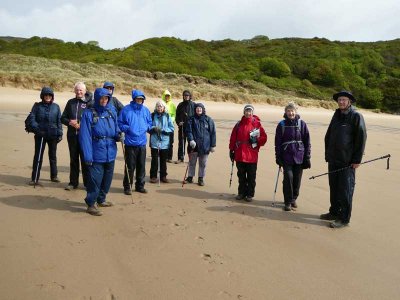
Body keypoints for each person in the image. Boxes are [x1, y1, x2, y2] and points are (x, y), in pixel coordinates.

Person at [321, 91, 367, 228]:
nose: (341, 102)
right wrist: (327, 155)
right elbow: (328, 135)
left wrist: (357, 159)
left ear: (349, 102)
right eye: (340, 99)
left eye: (344, 100)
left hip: (347, 162)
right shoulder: (336, 115)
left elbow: (361, 138)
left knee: (345, 190)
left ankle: (344, 218)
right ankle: (334, 212)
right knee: (333, 187)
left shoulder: (356, 116)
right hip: (333, 159)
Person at [79, 88, 121, 216]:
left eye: (106, 98)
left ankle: (101, 199)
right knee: (95, 180)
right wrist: (87, 155)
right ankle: (91, 204)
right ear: (97, 99)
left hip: (110, 152)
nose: (104, 100)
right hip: (96, 153)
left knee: (107, 179)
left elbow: (116, 127)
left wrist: (118, 135)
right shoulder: (88, 114)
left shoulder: (111, 111)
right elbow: (84, 136)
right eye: (102, 98)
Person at [275, 102, 311, 211]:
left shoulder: (302, 124)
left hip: (299, 155)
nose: (291, 113)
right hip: (286, 156)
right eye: (288, 111)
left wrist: (307, 157)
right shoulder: (281, 125)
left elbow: (307, 141)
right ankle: (287, 201)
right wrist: (278, 156)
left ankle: (294, 198)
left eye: (292, 110)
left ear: (296, 111)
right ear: (285, 112)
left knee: (297, 180)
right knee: (288, 179)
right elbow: (277, 142)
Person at [229, 104, 267, 202]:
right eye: (246, 111)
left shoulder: (257, 124)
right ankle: (241, 193)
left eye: (250, 111)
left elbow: (264, 138)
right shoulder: (238, 124)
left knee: (251, 176)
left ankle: (250, 194)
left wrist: (257, 140)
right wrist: (231, 150)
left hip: (252, 155)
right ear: (244, 112)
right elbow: (233, 138)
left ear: (252, 112)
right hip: (240, 154)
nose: (248, 113)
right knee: (241, 175)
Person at [118, 89, 152, 195]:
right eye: (138, 99)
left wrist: (147, 126)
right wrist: (126, 128)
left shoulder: (145, 110)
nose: (139, 100)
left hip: (142, 143)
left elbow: (150, 122)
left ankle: (140, 186)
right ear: (134, 99)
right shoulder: (126, 110)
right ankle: (127, 187)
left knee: (141, 166)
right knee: (130, 166)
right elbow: (119, 123)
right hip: (130, 143)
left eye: (141, 99)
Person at [61, 82, 94, 190]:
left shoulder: (90, 103)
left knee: (86, 160)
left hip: (85, 137)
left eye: (81, 90)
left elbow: (92, 119)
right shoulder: (70, 102)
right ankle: (73, 183)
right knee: (73, 159)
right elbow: (63, 118)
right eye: (77, 90)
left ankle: (87, 183)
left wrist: (81, 124)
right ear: (74, 91)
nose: (79, 92)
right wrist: (70, 122)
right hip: (72, 136)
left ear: (85, 91)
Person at [27, 87, 63, 185]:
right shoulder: (37, 106)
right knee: (38, 156)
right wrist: (38, 129)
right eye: (46, 95)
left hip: (53, 135)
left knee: (53, 156)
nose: (47, 97)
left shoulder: (56, 107)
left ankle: (54, 176)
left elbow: (59, 121)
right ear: (42, 96)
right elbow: (32, 119)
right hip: (40, 135)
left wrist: (60, 133)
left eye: (49, 95)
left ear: (52, 96)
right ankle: (34, 178)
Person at [185, 103, 216, 186]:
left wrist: (213, 145)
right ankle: (190, 177)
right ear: (195, 109)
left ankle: (201, 178)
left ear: (203, 109)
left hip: (205, 146)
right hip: (193, 146)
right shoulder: (191, 119)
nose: (199, 110)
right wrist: (191, 140)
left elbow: (212, 133)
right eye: (197, 108)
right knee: (192, 162)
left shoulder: (208, 120)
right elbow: (188, 131)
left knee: (203, 163)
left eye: (200, 108)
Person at [149, 101, 175, 183]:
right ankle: (153, 176)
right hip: (154, 140)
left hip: (164, 141)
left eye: (161, 106)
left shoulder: (167, 116)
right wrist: (154, 128)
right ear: (156, 107)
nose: (159, 108)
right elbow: (148, 126)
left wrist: (163, 130)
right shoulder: (152, 115)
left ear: (164, 108)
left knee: (163, 160)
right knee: (154, 160)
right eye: (158, 106)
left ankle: (163, 176)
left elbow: (172, 127)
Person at [175, 90, 195, 163]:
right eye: (185, 95)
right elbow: (176, 116)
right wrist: (178, 122)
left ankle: (191, 158)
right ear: (183, 96)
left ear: (190, 96)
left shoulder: (193, 105)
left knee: (191, 143)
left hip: (190, 128)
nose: (186, 96)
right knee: (181, 143)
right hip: (182, 127)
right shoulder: (180, 105)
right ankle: (180, 158)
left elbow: (196, 116)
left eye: (187, 95)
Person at [161, 89, 176, 163]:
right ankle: (163, 156)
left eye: (168, 96)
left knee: (170, 141)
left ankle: (169, 157)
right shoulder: (161, 103)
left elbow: (174, 114)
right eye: (166, 96)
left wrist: (171, 120)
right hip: (162, 124)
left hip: (170, 124)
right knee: (162, 140)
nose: (167, 97)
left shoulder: (172, 104)